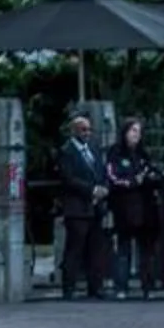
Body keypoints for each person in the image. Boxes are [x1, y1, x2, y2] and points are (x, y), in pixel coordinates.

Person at [56, 109, 112, 300]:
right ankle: (69, 288)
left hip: (96, 207)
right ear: (74, 131)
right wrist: (91, 190)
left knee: (96, 249)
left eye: (89, 129)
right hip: (77, 209)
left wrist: (103, 188)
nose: (87, 133)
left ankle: (95, 287)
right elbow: (68, 178)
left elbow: (102, 171)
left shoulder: (94, 149)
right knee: (74, 249)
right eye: (83, 130)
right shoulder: (66, 151)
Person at [105, 116, 162, 301]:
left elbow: (153, 173)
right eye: (133, 131)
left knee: (146, 250)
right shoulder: (115, 153)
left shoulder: (143, 154)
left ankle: (148, 286)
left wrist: (152, 178)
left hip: (145, 209)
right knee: (123, 249)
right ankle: (121, 287)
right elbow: (113, 177)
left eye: (139, 131)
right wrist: (132, 182)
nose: (136, 135)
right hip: (124, 208)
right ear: (125, 132)